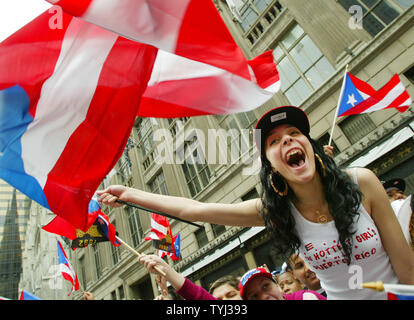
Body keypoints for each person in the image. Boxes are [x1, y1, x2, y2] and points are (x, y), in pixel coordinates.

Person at [98, 105, 414, 299]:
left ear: (310, 147)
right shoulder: (275, 211)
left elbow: (405, 267)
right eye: (274, 141)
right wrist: (130, 194)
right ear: (271, 165)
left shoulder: (362, 181)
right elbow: (195, 209)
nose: (287, 140)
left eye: (294, 133)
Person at [238, 267, 325, 300]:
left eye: (266, 286)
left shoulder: (306, 298)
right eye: (254, 296)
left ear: (278, 286)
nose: (264, 297)